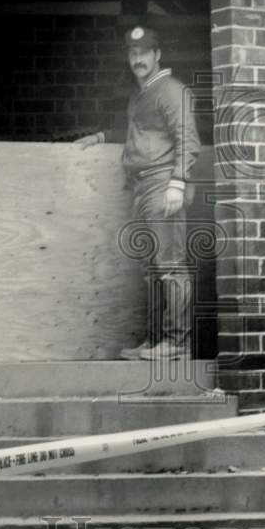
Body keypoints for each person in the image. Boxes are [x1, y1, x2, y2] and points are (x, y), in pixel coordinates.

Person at [76, 25, 201, 360]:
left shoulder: (172, 90)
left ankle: (177, 344)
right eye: (132, 54)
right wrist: (100, 137)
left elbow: (188, 138)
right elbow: (139, 133)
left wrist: (178, 182)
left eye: (144, 53)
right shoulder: (142, 94)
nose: (137, 59)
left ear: (157, 55)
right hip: (143, 187)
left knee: (170, 265)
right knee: (152, 269)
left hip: (162, 184)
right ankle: (159, 341)